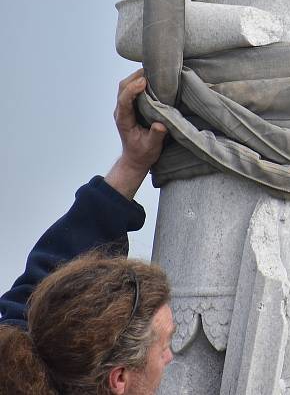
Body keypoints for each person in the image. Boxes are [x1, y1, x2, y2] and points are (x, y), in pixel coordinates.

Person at [0, 70, 172, 395]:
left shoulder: (21, 365)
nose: (171, 356)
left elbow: (36, 309)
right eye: (163, 347)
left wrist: (133, 164)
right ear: (119, 379)